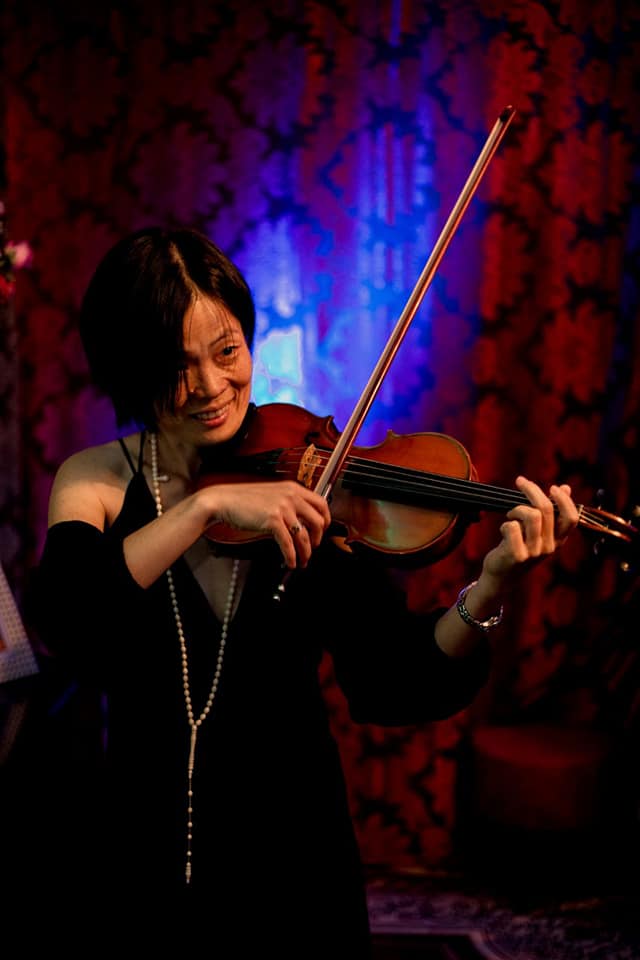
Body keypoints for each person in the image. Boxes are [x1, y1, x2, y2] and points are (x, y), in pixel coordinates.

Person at [23, 226, 578, 954]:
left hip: (296, 848)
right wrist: (202, 509)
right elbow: (71, 620)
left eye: (227, 352)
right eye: (177, 366)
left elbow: (395, 677)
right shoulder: (95, 480)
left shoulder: (312, 478)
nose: (211, 387)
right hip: (140, 843)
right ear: (129, 368)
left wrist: (491, 585)